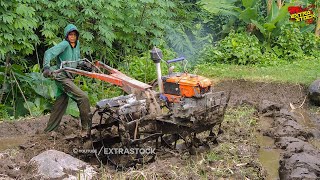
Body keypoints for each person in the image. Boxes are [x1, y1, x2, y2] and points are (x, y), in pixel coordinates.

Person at [42, 24, 91, 134]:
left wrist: (83, 64)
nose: (72, 37)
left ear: (77, 36)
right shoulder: (64, 44)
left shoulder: (77, 44)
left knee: (60, 104)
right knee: (83, 98)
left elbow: (75, 60)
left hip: (69, 77)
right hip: (62, 78)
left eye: (74, 35)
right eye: (70, 35)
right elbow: (48, 53)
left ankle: (49, 131)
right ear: (66, 36)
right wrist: (46, 67)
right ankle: (86, 130)